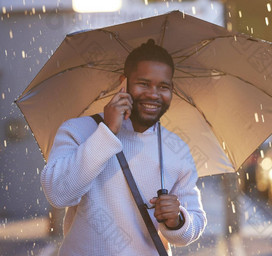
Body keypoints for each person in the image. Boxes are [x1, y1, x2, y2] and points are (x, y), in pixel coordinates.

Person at [41, 39, 207, 255]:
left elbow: (195, 222)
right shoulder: (77, 130)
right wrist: (108, 132)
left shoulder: (177, 149)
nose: (153, 94)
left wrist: (177, 220)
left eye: (163, 87)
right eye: (144, 83)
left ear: (172, 90)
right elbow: (58, 193)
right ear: (124, 83)